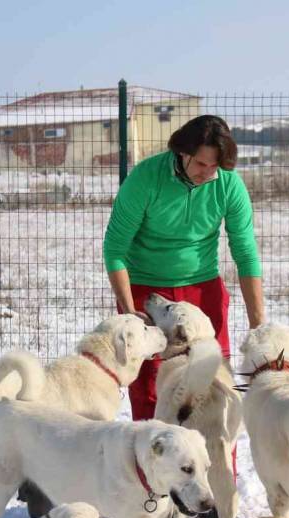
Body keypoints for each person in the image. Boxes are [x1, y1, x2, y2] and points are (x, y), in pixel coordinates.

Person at [103, 114, 265, 422]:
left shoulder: (229, 185)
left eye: (215, 166)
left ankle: (217, 463)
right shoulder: (145, 179)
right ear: (182, 152)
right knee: (151, 388)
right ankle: (150, 465)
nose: (207, 173)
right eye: (201, 164)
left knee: (214, 382)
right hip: (146, 290)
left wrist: (258, 322)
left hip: (202, 289)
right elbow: (114, 248)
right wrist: (128, 309)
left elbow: (245, 253)